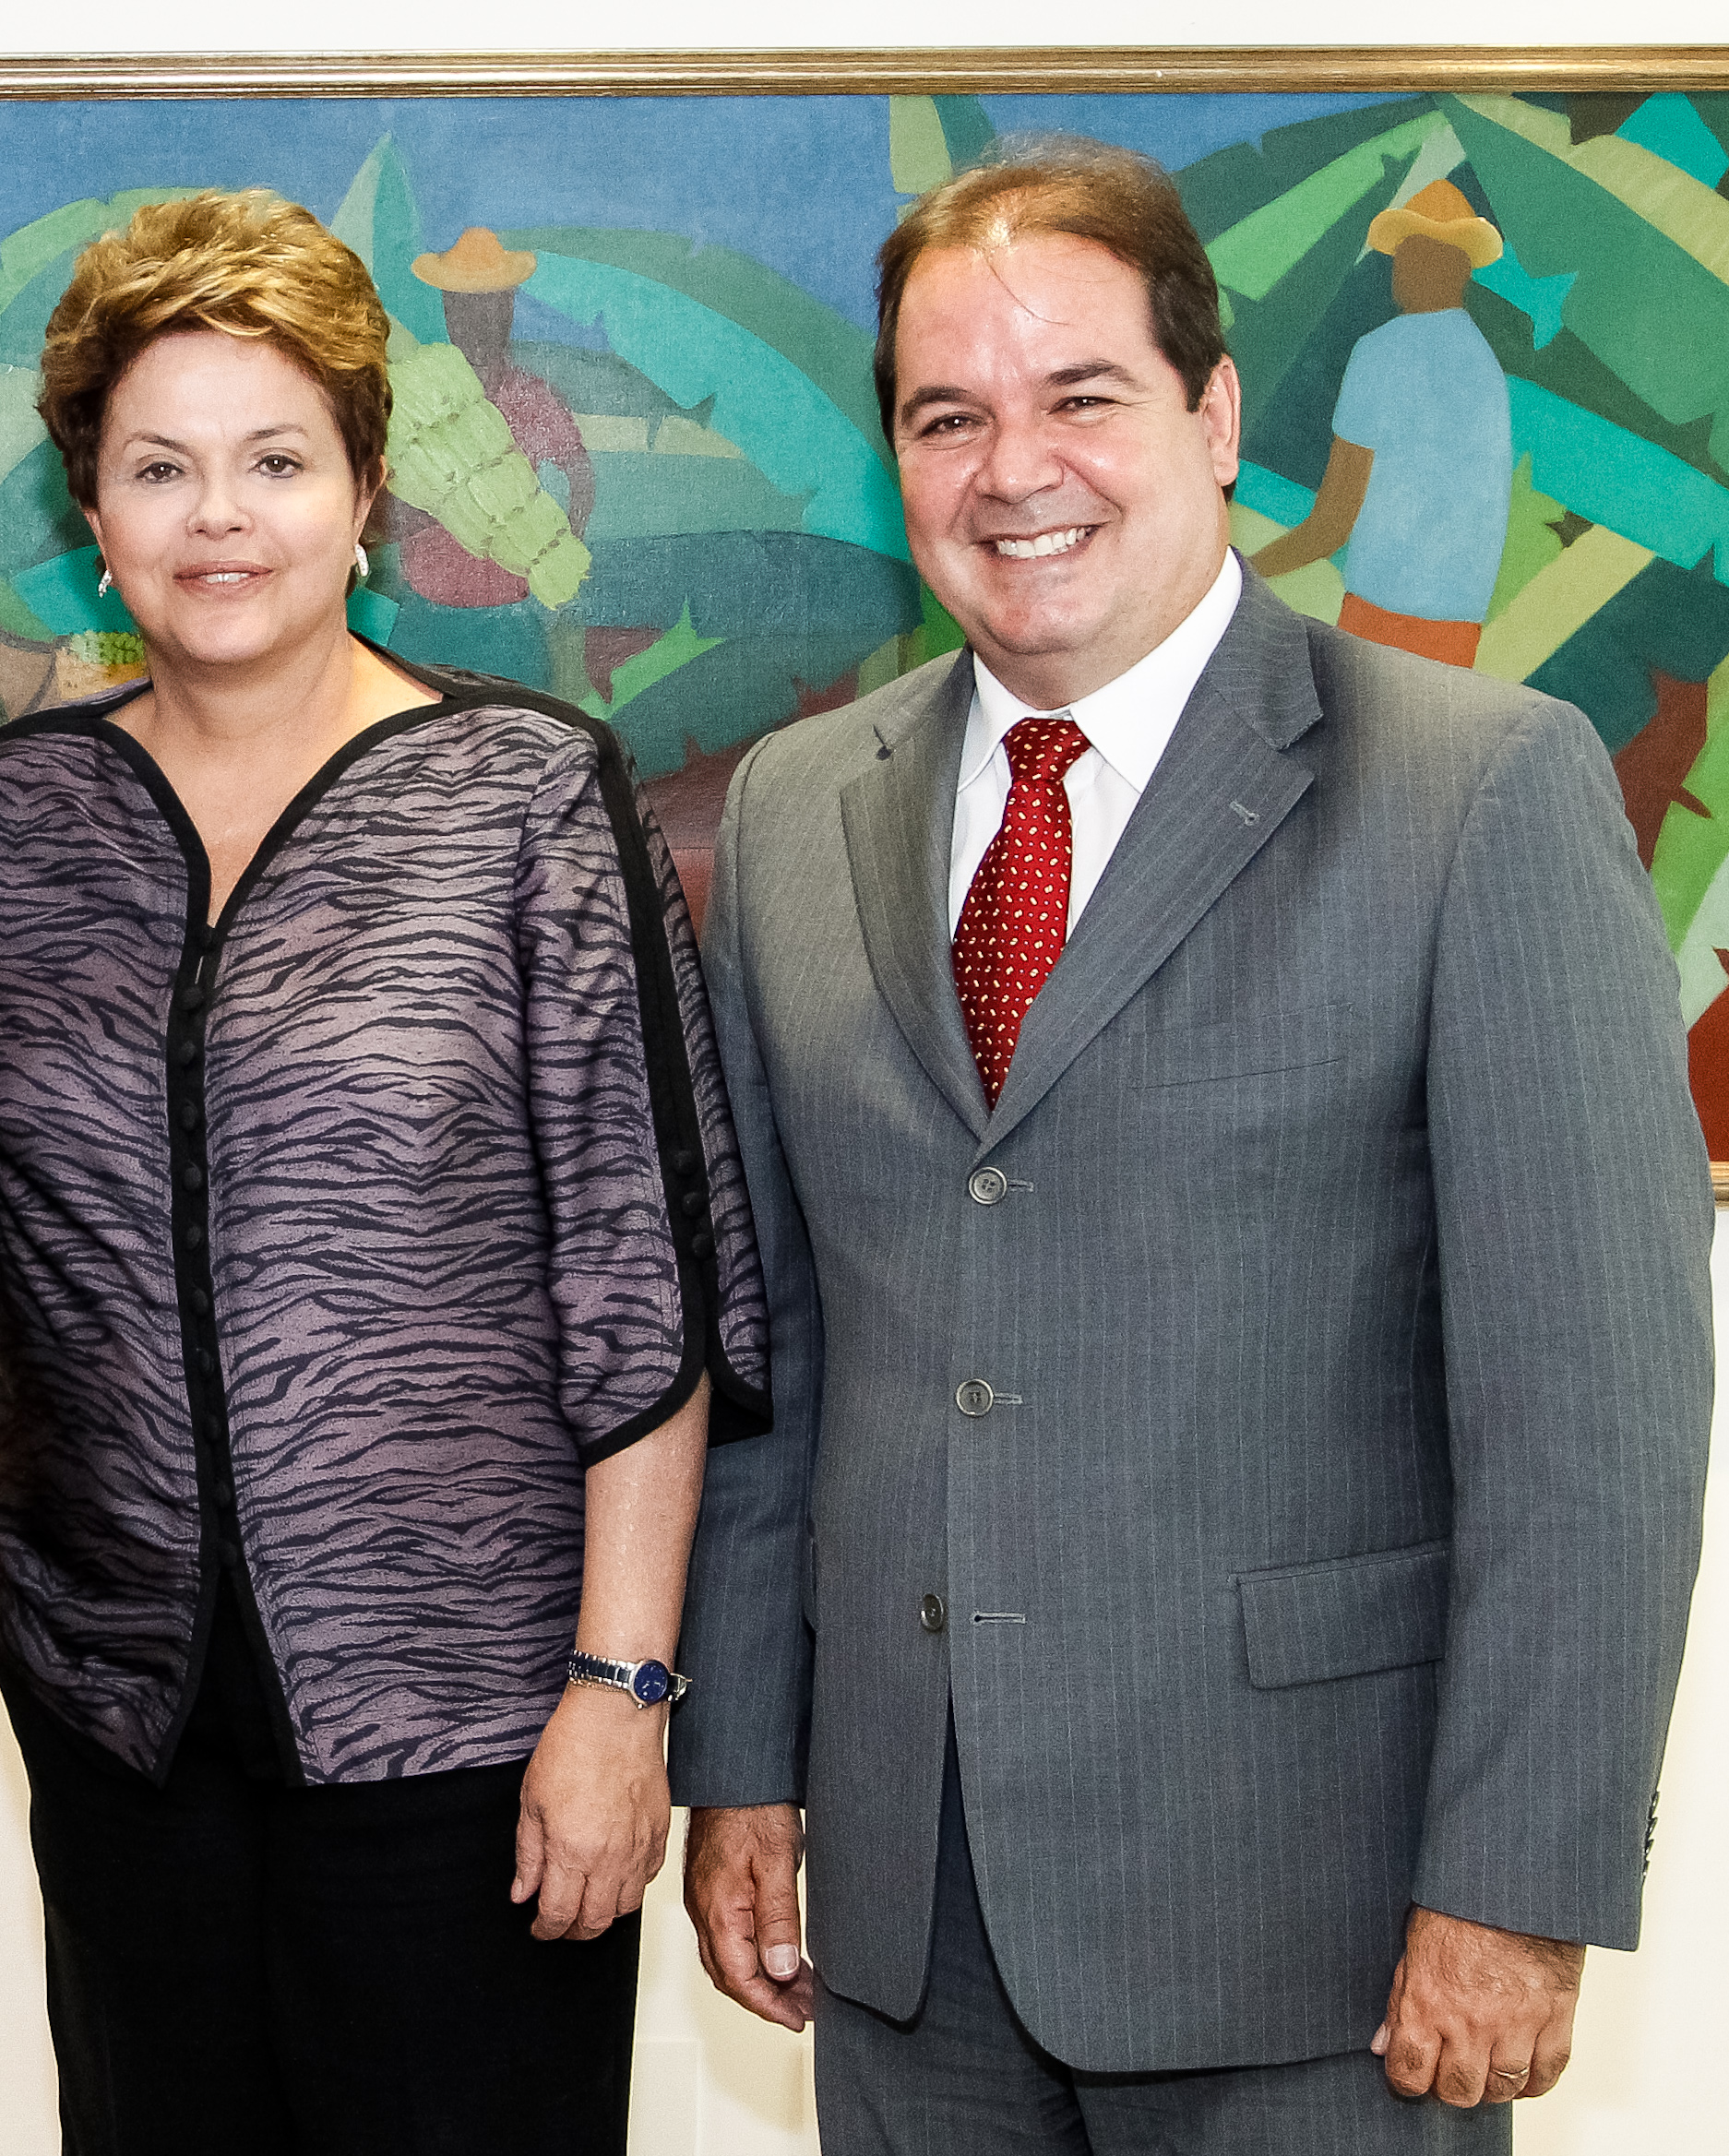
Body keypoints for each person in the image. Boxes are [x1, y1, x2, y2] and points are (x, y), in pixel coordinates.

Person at [674, 137, 1710, 2152]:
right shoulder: (792, 813)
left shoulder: (1478, 789)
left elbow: (1590, 1409)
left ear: (1212, 416)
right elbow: (769, 1352)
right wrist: (749, 1753)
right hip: (909, 1919)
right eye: (946, 414)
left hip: (1317, 1919)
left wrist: (1515, 1883)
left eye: (1081, 396)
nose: (1012, 468)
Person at [0, 188, 766, 2156]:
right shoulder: (9, 816)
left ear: (364, 491)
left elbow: (644, 1286)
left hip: (471, 1728)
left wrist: (622, 1689)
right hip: (121, 1716)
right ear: (89, 515)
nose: (221, 516)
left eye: (275, 460)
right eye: (161, 467)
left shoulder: (528, 794)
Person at [1249, 180, 1514, 667]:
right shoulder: (1486, 367)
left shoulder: (1384, 352)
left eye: (1406, 257)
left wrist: (1245, 575)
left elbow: (1332, 523)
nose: (1398, 272)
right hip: (1458, 635)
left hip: (1382, 621)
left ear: (1420, 264)